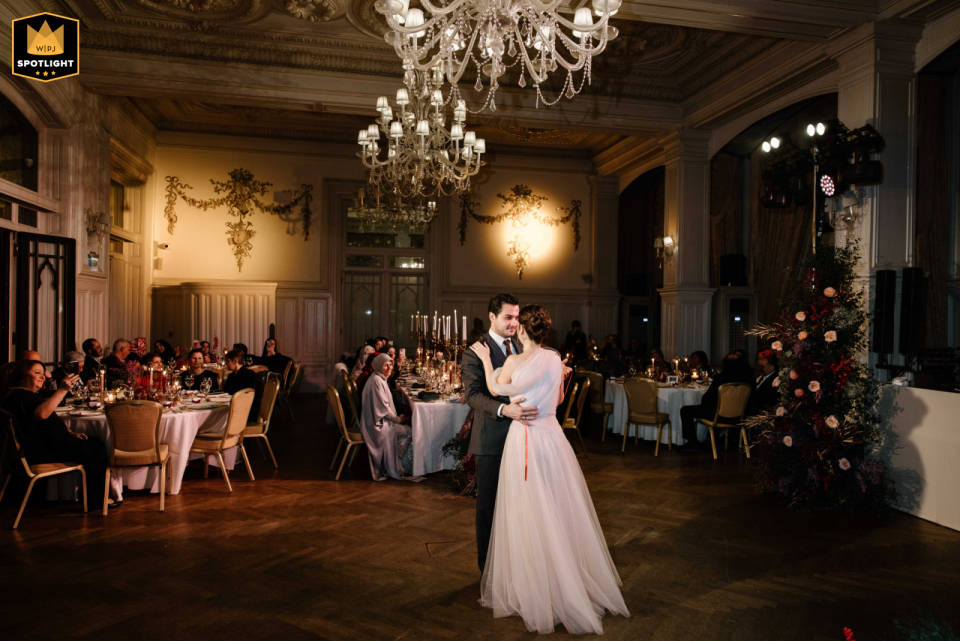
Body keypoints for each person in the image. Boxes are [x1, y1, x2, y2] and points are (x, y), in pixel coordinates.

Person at [469, 304, 629, 634]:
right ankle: (562, 584)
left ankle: (532, 586)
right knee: (557, 510)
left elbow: (496, 389)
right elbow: (555, 402)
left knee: (527, 511)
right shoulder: (555, 359)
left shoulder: (513, 361)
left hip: (525, 438)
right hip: (553, 439)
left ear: (523, 330)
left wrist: (486, 362)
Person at [461, 293, 538, 575]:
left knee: (520, 505)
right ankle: (489, 571)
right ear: (492, 317)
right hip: (491, 439)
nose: (514, 323)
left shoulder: (522, 346)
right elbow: (473, 396)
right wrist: (505, 410)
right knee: (489, 508)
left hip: (524, 438)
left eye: (517, 317)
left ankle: (516, 566)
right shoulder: (474, 352)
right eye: (508, 317)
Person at [1, 360, 116, 509]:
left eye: (43, 373)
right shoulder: (25, 396)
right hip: (40, 453)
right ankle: (98, 500)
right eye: (37, 373)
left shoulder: (12, 395)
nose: (42, 376)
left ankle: (89, 496)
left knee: (91, 442)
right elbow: (41, 414)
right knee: (97, 448)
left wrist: (69, 432)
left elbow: (38, 424)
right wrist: (62, 390)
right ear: (22, 376)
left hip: (27, 452)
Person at [678, 354, 755, 452]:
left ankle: (692, 442)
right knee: (715, 407)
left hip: (718, 416)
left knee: (685, 410)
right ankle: (712, 441)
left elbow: (707, 398)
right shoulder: (749, 379)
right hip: (739, 417)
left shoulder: (721, 378)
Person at [359, 353, 414, 481]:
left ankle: (394, 463)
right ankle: (394, 465)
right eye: (385, 365)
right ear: (378, 365)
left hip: (376, 421)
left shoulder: (378, 378)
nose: (389, 368)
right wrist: (399, 419)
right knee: (409, 431)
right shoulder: (377, 382)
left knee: (407, 427)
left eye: (390, 365)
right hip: (376, 425)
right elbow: (383, 410)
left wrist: (399, 419)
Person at [222, 349, 262, 421]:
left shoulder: (251, 375)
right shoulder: (231, 376)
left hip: (247, 412)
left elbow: (256, 398)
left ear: (235, 361)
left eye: (228, 361)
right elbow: (225, 393)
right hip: (233, 408)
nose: (226, 364)